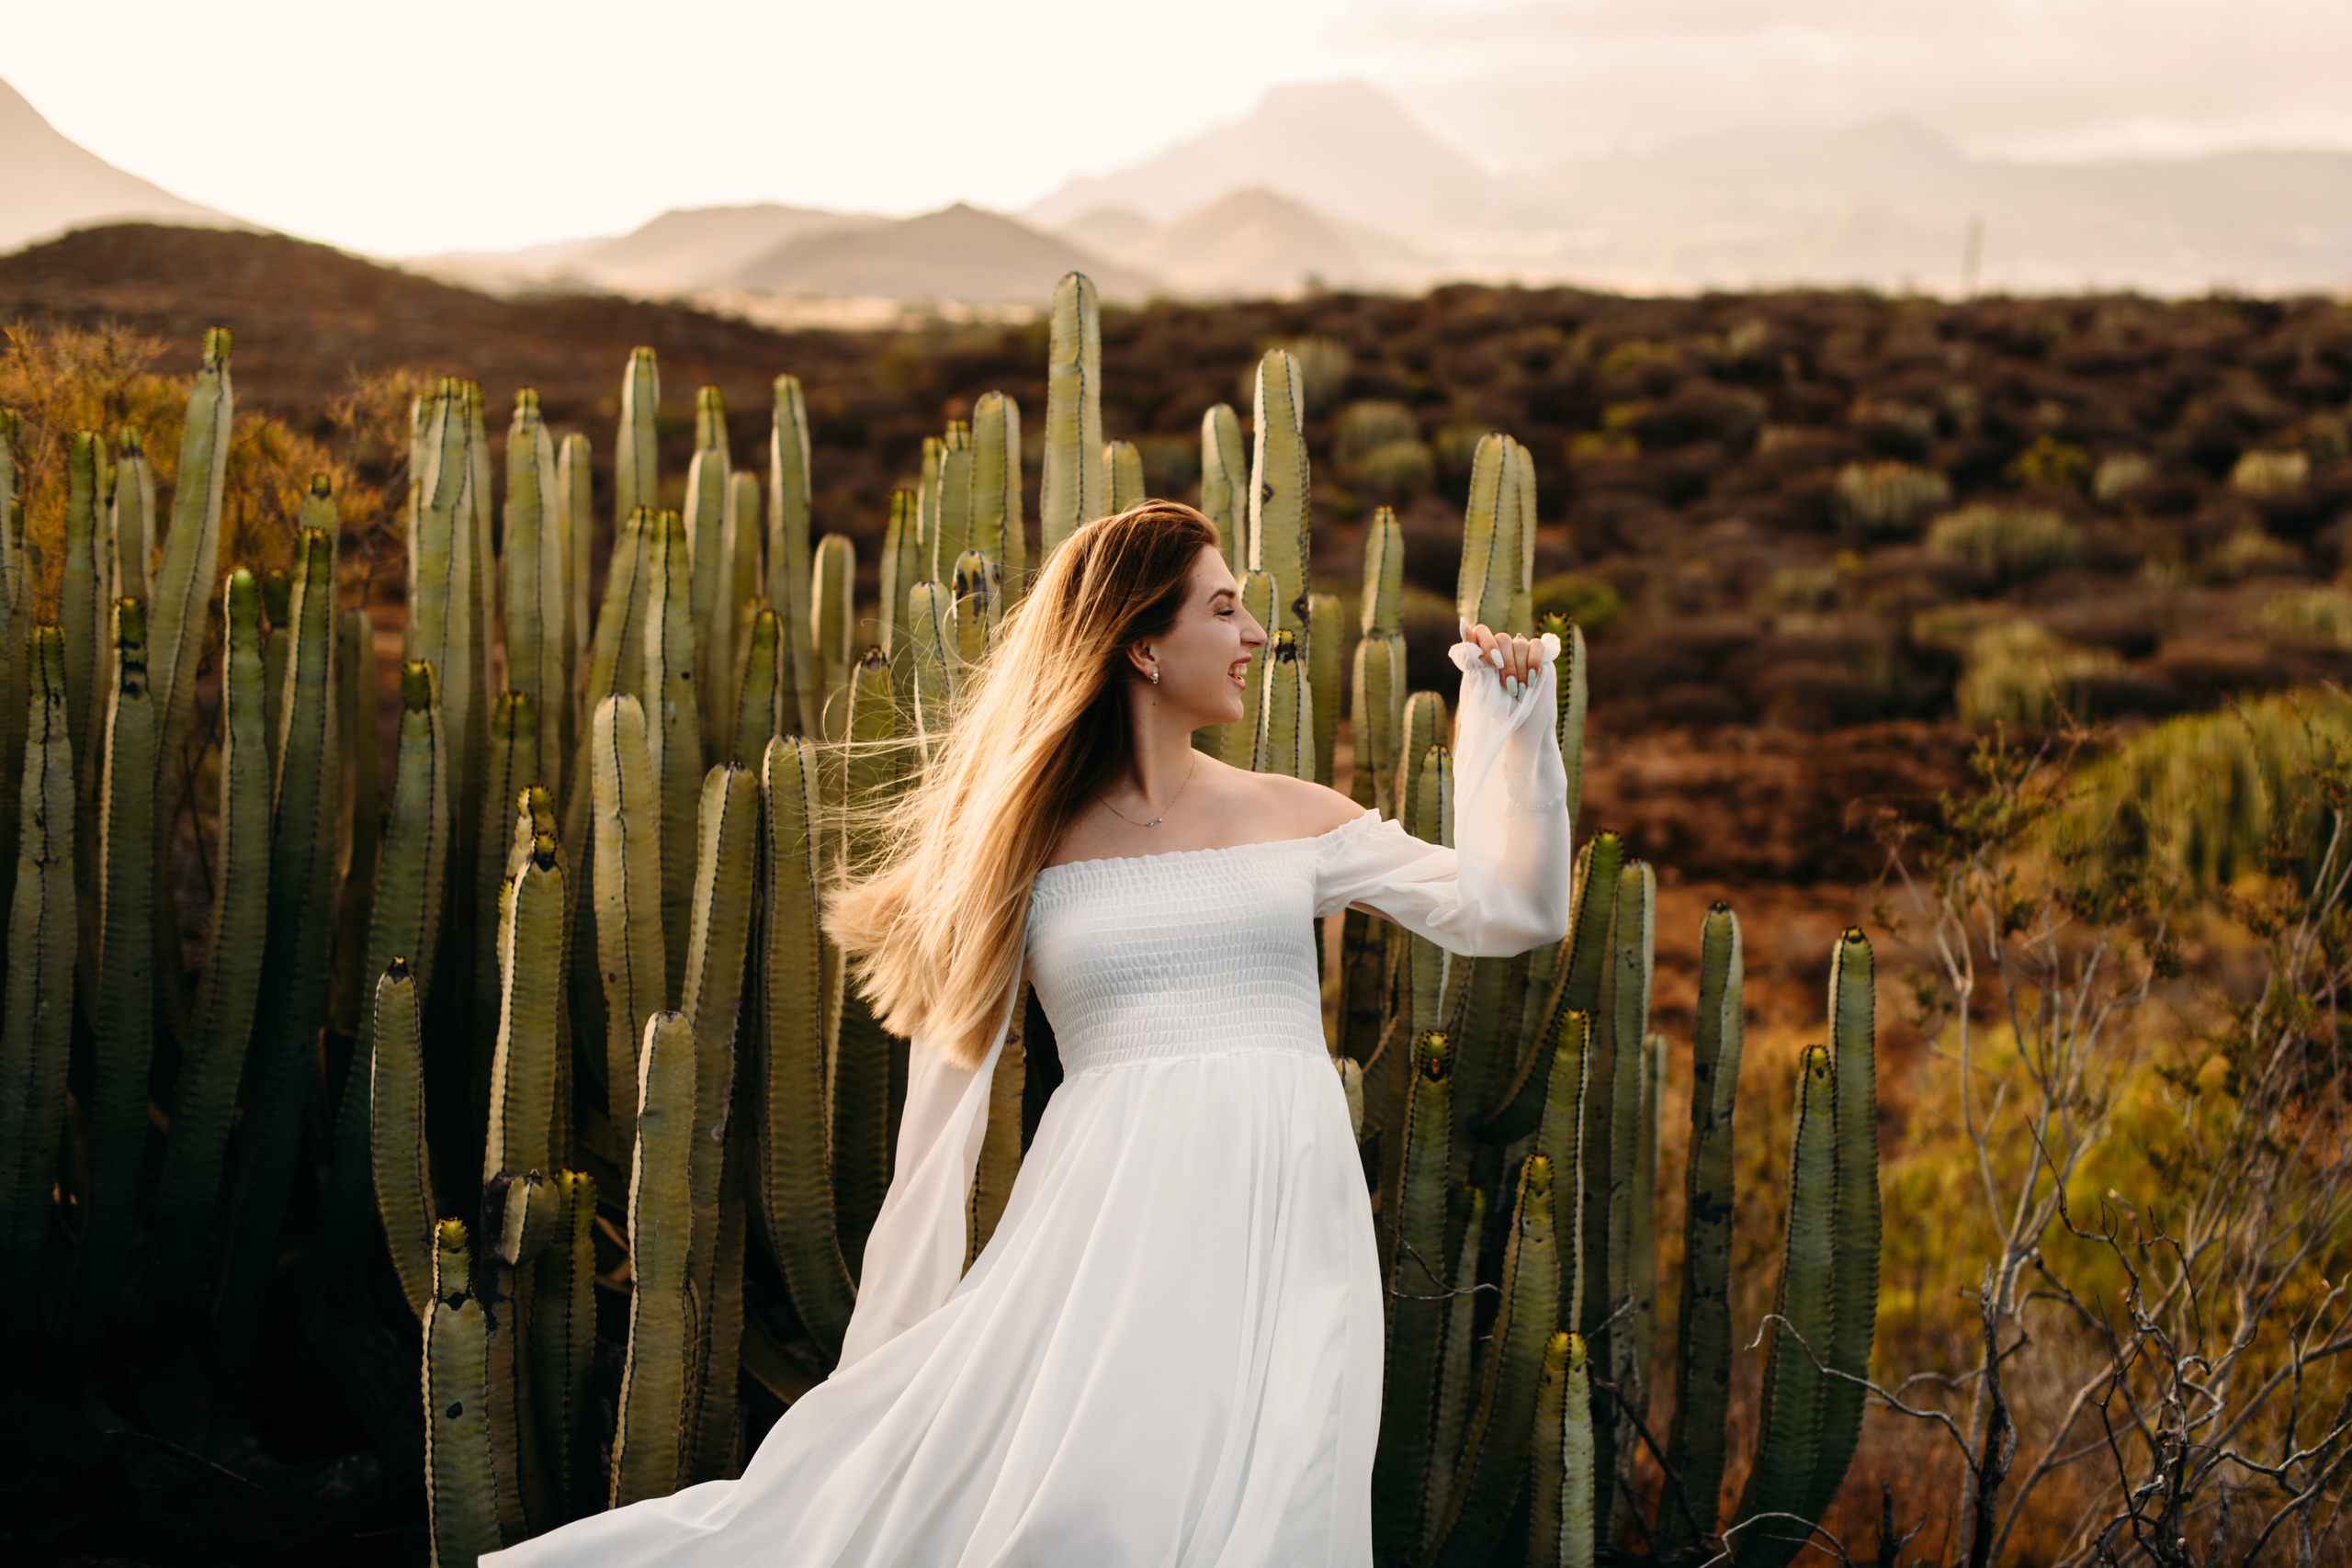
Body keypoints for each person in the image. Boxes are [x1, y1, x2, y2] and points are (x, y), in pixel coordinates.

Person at [486, 500, 1572, 1565]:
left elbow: (1509, 910)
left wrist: (1511, 725)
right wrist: (890, 1355)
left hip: (1286, 1194)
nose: (1254, 637)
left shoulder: (1292, 814)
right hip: (1104, 1220)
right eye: (1224, 610)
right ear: (1142, 645)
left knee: (1280, 1473)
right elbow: (940, 1115)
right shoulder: (1022, 847)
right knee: (1093, 1502)